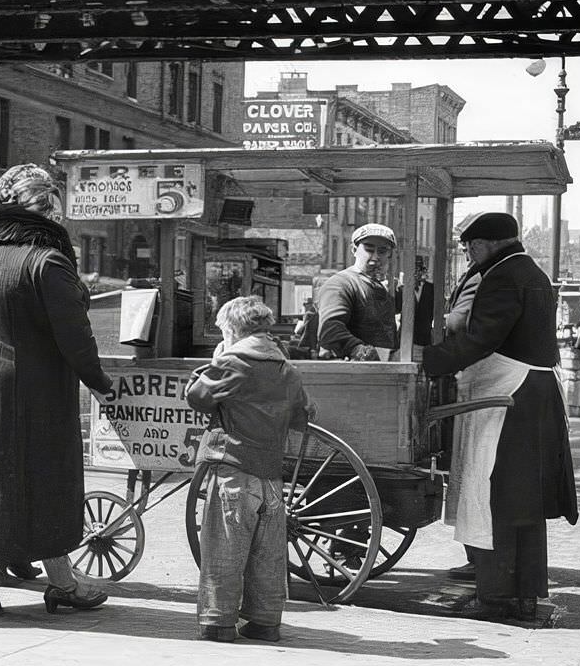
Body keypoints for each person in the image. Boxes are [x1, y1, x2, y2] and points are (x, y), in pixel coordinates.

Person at [0, 163, 114, 616]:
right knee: (40, 482)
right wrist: (100, 383)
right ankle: (65, 583)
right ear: (47, 211)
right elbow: (75, 335)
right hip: (30, 392)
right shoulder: (46, 261)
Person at [422, 212, 578, 620]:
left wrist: (428, 360)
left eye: (472, 247)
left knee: (496, 496)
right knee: (521, 501)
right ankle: (523, 594)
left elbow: (481, 338)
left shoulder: (503, 276)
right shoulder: (530, 272)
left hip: (510, 397)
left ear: (486, 244)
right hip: (531, 395)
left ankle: (496, 597)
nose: (470, 256)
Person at [186, 296, 315, 643]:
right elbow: (304, 416)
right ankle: (265, 622)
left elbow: (197, 396)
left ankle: (218, 623)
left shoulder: (233, 362)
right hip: (272, 476)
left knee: (223, 548)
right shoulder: (287, 369)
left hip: (233, 469)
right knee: (268, 555)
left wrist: (213, 361)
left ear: (232, 330)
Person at [317, 223, 398, 361]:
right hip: (353, 372)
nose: (376, 256)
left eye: (382, 251)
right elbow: (330, 329)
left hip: (382, 370)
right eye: (369, 249)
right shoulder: (341, 284)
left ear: (389, 255)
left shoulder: (380, 287)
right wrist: (359, 351)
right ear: (354, 250)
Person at [396, 254, 435, 346]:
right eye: (413, 270)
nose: (415, 273)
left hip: (424, 336)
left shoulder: (431, 288)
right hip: (406, 336)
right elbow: (396, 308)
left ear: (422, 271)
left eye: (418, 270)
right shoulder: (402, 289)